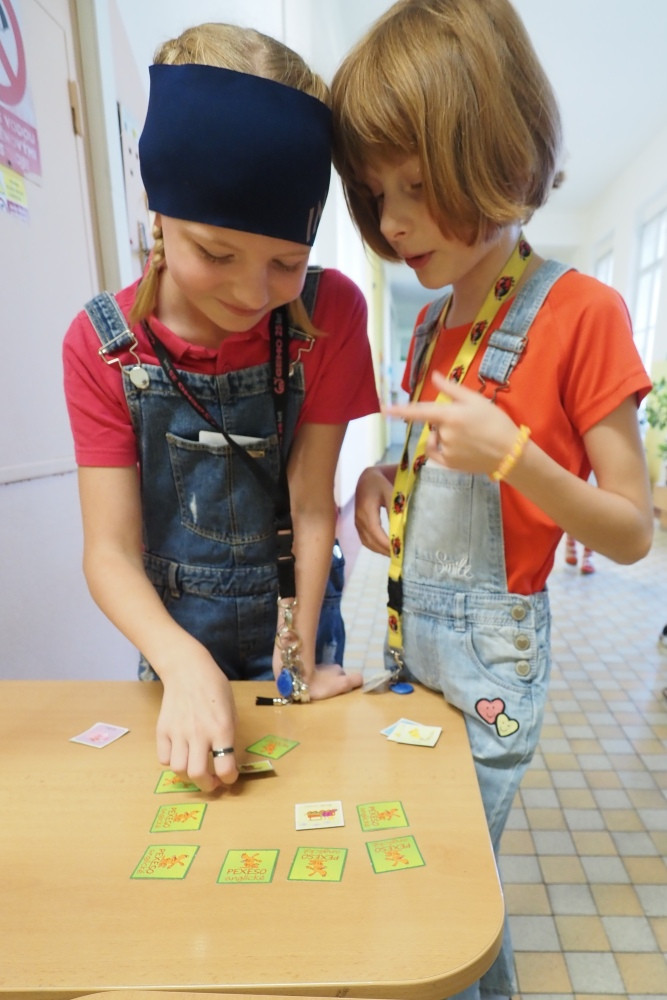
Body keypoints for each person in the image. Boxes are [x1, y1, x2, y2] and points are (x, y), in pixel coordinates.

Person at [330, 1, 653, 997]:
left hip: (490, 661)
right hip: (408, 652)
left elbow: (632, 531)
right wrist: (382, 482)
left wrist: (516, 458)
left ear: (500, 155)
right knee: (449, 894)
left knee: (440, 890)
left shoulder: (584, 311)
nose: (391, 222)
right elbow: (430, 463)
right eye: (374, 193)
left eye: (417, 187)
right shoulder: (430, 324)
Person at [63, 23, 379, 794]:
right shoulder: (101, 345)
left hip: (294, 630)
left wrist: (296, 658)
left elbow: (312, 507)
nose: (250, 292)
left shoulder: (328, 316)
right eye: (215, 253)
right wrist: (181, 662)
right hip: (174, 649)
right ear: (158, 210)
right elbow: (109, 552)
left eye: (286, 262)